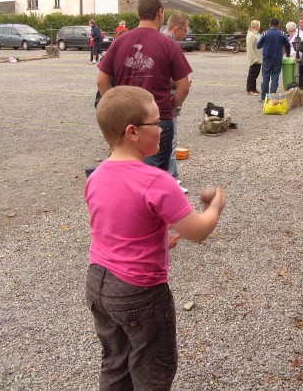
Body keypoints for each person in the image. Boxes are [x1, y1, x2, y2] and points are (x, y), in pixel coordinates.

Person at [85, 85, 226, 390]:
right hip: (139, 293)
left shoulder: (96, 176)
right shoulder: (157, 181)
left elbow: (118, 229)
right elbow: (199, 231)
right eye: (156, 122)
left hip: (98, 284)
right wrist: (215, 206)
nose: (163, 127)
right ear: (132, 132)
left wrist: (161, 239)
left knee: (115, 360)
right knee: (152, 365)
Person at [97, 0, 192, 172]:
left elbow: (101, 81)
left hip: (125, 120)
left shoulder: (119, 42)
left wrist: (114, 106)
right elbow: (184, 86)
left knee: (128, 175)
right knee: (154, 179)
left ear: (139, 13)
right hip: (156, 120)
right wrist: (169, 108)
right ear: (160, 13)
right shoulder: (168, 45)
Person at [164, 13, 191, 194]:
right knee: (170, 140)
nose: (185, 33)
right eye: (184, 30)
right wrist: (181, 83)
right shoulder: (171, 45)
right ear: (176, 28)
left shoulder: (159, 40)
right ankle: (171, 180)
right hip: (168, 100)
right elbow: (176, 78)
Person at [256, 18, 291, 101]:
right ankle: (272, 97)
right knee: (275, 78)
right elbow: (288, 45)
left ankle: (264, 97)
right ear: (278, 24)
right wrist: (288, 54)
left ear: (269, 24)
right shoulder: (282, 34)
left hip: (266, 59)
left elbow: (258, 45)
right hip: (278, 59)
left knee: (265, 78)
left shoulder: (265, 33)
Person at [246, 20, 262, 96]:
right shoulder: (251, 35)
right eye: (258, 25)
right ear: (255, 26)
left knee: (255, 74)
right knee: (252, 74)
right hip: (254, 58)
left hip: (259, 58)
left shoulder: (257, 34)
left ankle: (254, 88)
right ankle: (249, 89)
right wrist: (253, 58)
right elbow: (249, 48)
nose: (259, 27)